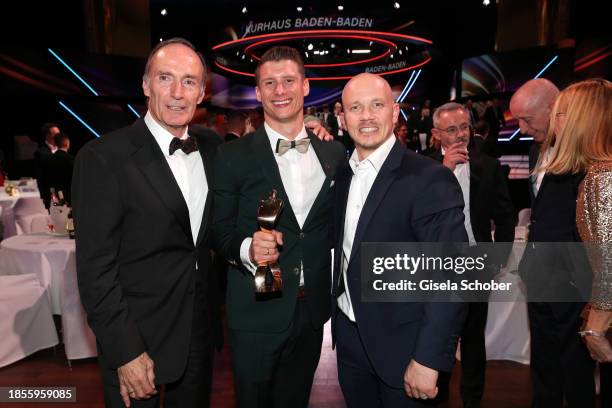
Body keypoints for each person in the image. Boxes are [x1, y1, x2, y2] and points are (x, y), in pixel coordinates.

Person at [72, 38, 222, 408]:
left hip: (197, 335)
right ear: (145, 85)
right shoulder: (103, 158)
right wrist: (124, 352)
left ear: (202, 92)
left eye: (189, 82)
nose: (176, 93)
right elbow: (95, 270)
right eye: (164, 78)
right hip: (136, 337)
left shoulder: (214, 148)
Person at [211, 46, 345, 408]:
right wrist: (246, 250)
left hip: (311, 312)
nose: (280, 90)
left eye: (288, 81)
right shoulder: (233, 155)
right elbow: (218, 230)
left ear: (305, 86)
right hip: (255, 309)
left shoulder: (334, 155)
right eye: (269, 83)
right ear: (258, 93)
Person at [331, 73, 467, 407]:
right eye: (355, 107)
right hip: (350, 343)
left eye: (377, 105)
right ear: (341, 117)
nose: (366, 116)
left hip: (406, 350)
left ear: (394, 113)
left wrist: (429, 358)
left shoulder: (429, 178)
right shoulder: (342, 174)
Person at [512, 78, 596, 407]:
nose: (520, 128)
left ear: (554, 109)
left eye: (527, 119)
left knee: (576, 370)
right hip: (540, 277)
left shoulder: (588, 154)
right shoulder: (536, 149)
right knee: (544, 365)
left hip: (575, 283)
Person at [428, 102, 516, 407]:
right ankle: (435, 397)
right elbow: (419, 214)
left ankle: (472, 401)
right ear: (436, 134)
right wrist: (445, 170)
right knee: (437, 335)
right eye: (451, 130)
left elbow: (506, 217)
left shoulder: (488, 166)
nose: (460, 135)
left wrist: (497, 260)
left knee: (473, 339)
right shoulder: (424, 166)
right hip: (437, 266)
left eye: (464, 127)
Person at [547, 79, 611, 406]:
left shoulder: (602, 177)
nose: (553, 122)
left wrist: (593, 329)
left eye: (560, 115)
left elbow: (608, 265)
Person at [34, 122, 60, 207]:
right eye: (56, 134)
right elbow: (40, 175)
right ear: (48, 135)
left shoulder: (62, 149)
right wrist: (44, 195)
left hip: (65, 190)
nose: (59, 136)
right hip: (51, 191)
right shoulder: (40, 152)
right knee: (56, 211)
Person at [48, 132, 75, 204]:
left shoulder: (49, 159)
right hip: (70, 195)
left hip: (54, 194)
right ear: (67, 143)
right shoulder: (71, 159)